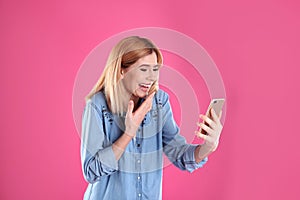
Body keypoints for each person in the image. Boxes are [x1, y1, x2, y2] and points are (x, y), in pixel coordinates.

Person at [81, 36, 223, 200]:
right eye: (143, 69)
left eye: (155, 69)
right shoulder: (97, 106)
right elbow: (91, 171)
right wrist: (128, 134)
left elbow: (179, 154)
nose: (152, 77)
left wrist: (208, 146)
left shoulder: (159, 102)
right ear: (122, 70)